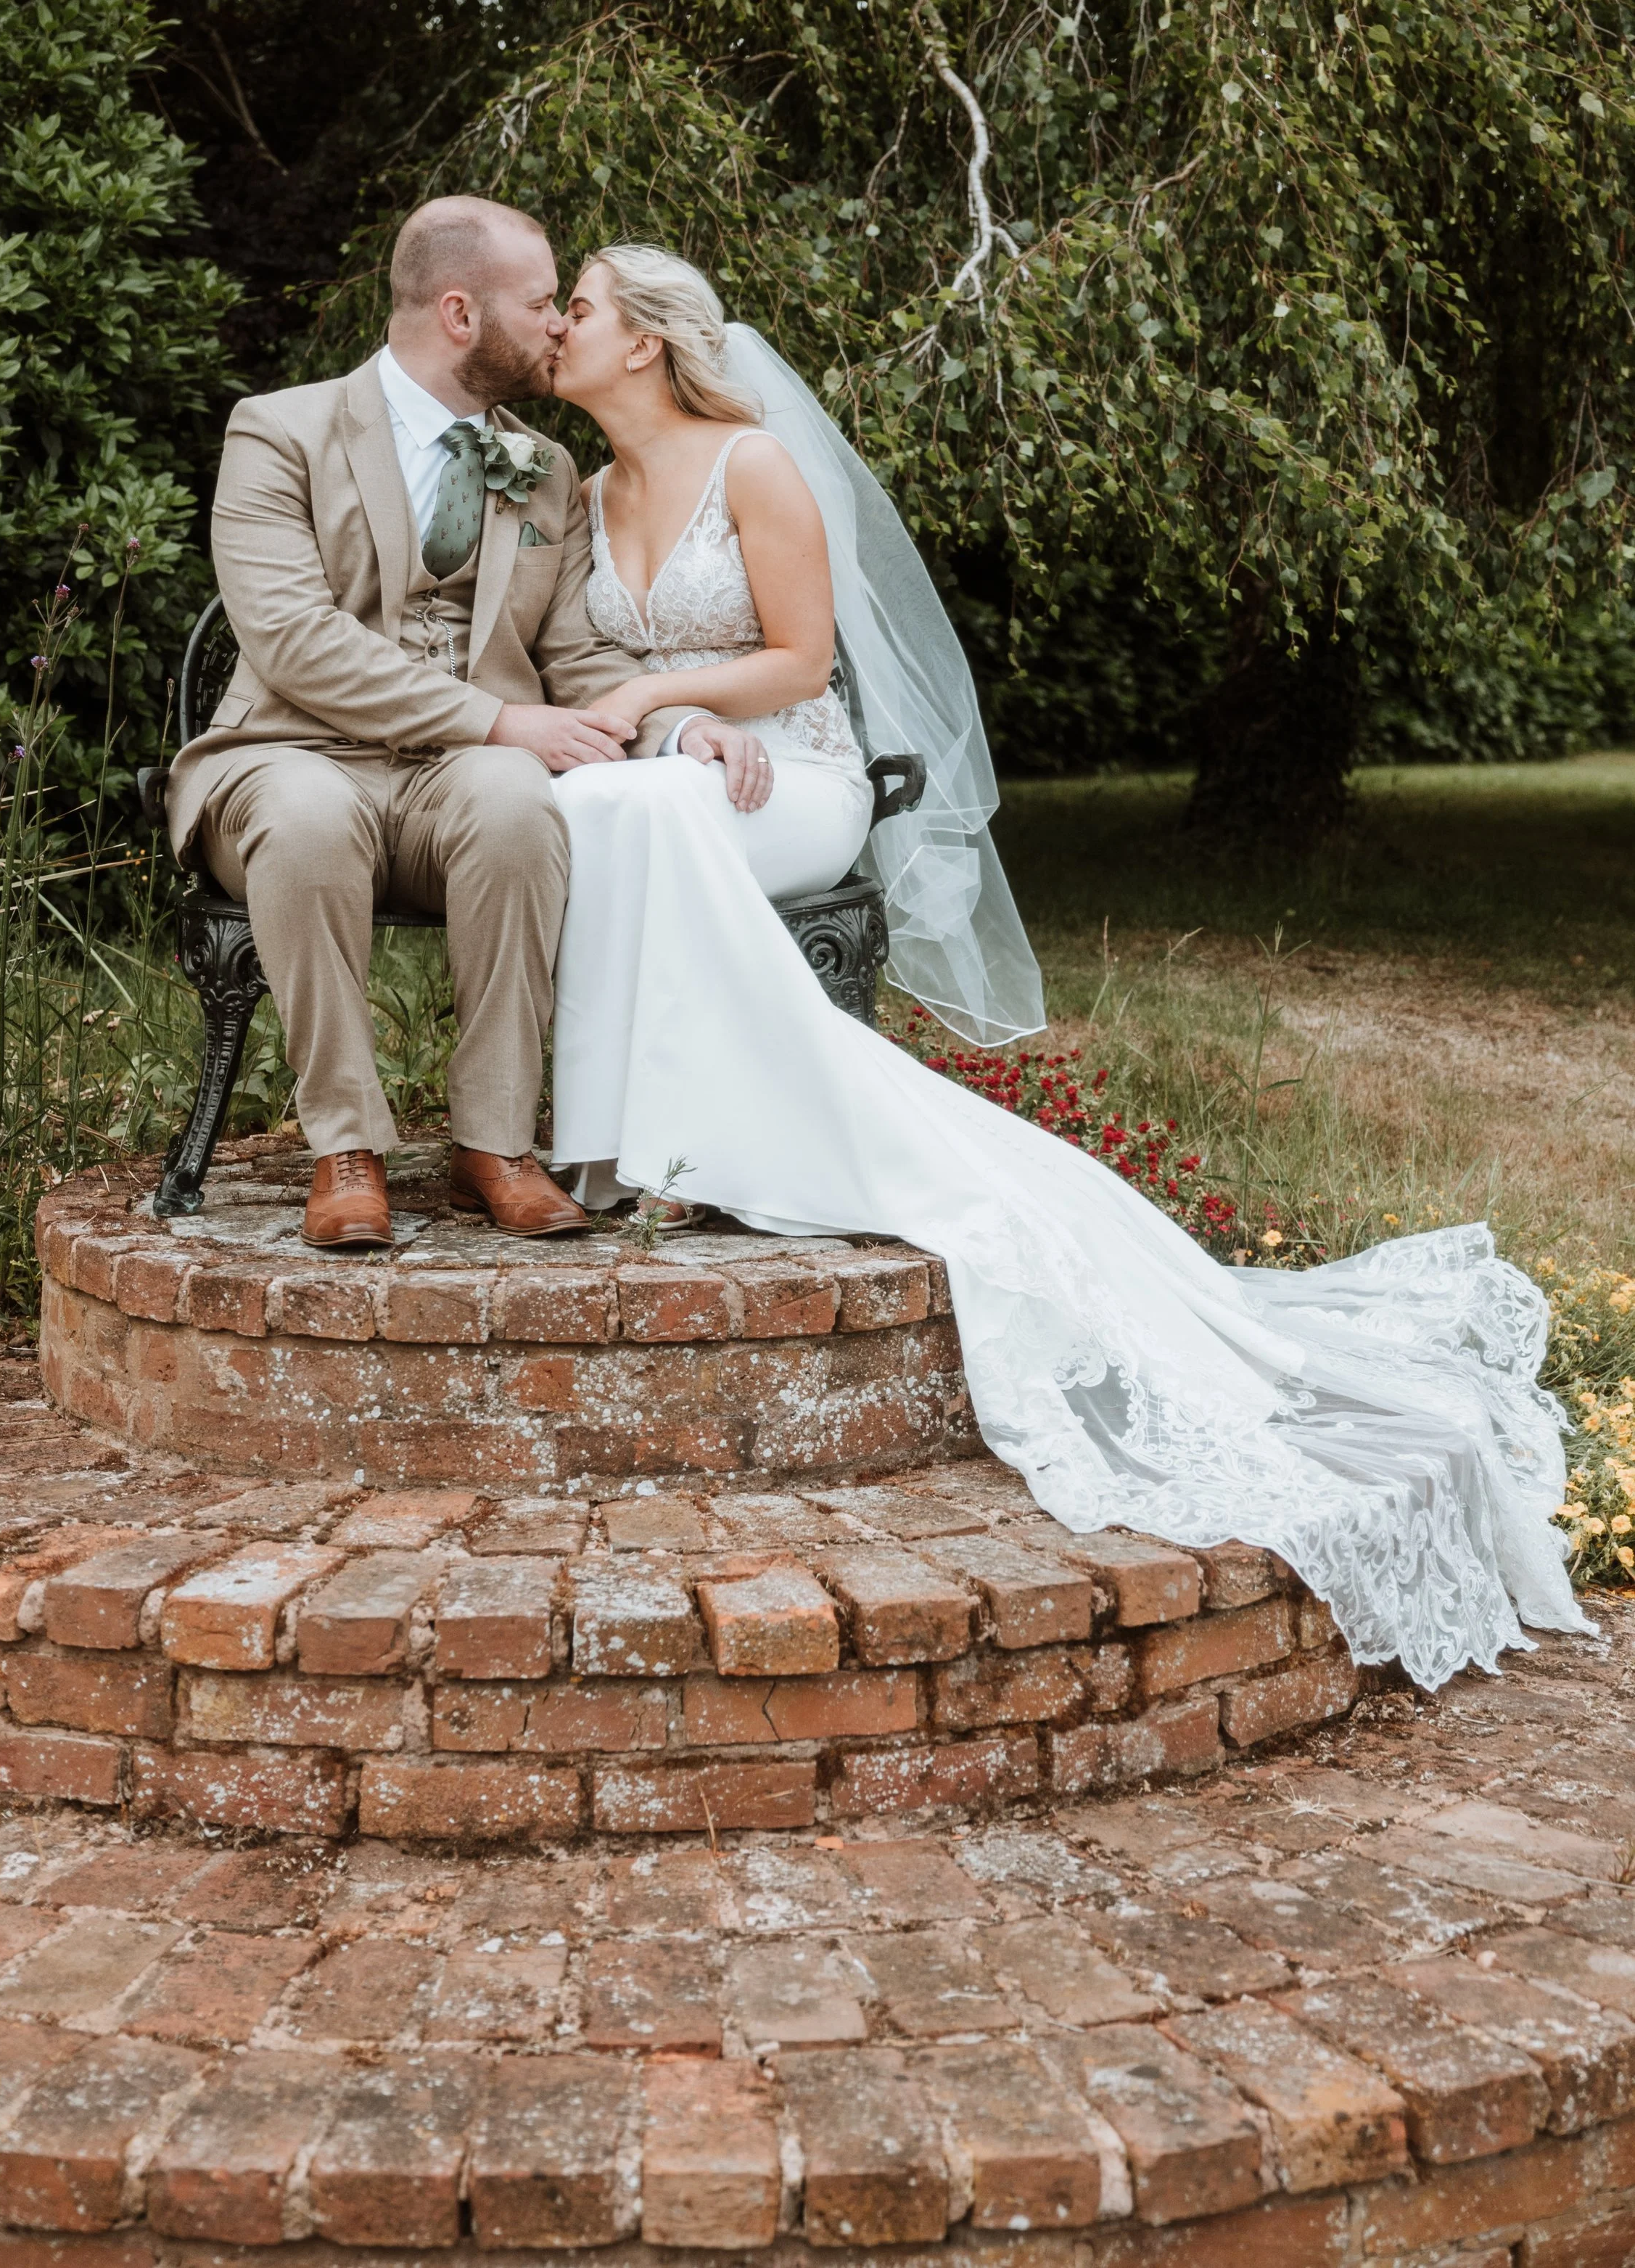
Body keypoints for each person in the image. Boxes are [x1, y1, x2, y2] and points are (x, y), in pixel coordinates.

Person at [543, 243, 1587, 1690]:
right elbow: (570, 682)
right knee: (607, 801)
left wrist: (669, 698)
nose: (555, 330)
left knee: (647, 805)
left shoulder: (752, 467)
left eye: (577, 310)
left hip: (789, 781)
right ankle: (618, 1142)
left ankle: (664, 1139)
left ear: (645, 343)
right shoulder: (582, 496)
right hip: (680, 770)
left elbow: (794, 661)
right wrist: (656, 728)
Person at [161, 197, 766, 1249]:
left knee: (520, 801)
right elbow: (296, 641)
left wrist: (677, 726)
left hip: (462, 780)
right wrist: (497, 717)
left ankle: (495, 1143)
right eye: (539, 304)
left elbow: (577, 653)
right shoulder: (279, 431)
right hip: (284, 755)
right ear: (457, 313)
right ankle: (346, 1149)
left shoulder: (546, 466)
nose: (557, 326)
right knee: (307, 815)